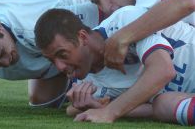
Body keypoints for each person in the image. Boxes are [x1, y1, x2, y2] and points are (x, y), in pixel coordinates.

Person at [34, 7, 195, 125]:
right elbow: (151, 110)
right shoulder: (85, 85)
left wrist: (109, 111)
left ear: (82, 37)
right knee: (162, 104)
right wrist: (99, 106)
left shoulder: (123, 22)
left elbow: (163, 71)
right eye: (52, 61)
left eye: (62, 54)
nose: (60, 67)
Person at [79, 0, 195, 73]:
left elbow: (185, 2)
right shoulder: (128, 9)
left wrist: (122, 37)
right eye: (97, 2)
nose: (106, 7)